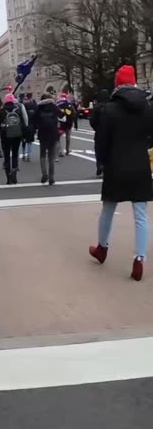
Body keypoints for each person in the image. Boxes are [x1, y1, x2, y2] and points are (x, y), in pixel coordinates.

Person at [89, 66, 153, 282]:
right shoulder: (147, 107)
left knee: (108, 208)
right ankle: (139, 259)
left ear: (117, 84)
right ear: (134, 82)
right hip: (140, 164)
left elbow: (101, 141)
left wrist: (102, 162)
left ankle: (102, 248)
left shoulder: (110, 109)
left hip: (116, 164)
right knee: (141, 215)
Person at [32, 93, 62, 185]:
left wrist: (37, 127)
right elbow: (62, 115)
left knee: (42, 155)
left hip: (43, 134)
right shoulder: (54, 107)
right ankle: (51, 177)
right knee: (51, 156)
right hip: (53, 133)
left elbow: (34, 120)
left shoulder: (39, 108)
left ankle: (44, 174)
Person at [0, 93, 28, 185]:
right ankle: (14, 175)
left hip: (5, 136)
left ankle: (8, 177)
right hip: (16, 135)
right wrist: (24, 134)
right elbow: (24, 122)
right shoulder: (18, 109)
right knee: (15, 154)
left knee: (7, 156)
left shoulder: (2, 110)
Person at [90, 88, 112, 177]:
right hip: (110, 132)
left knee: (99, 150)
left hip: (99, 132)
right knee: (110, 150)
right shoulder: (112, 106)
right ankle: (108, 166)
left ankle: (100, 165)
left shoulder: (97, 107)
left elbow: (92, 121)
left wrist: (96, 128)